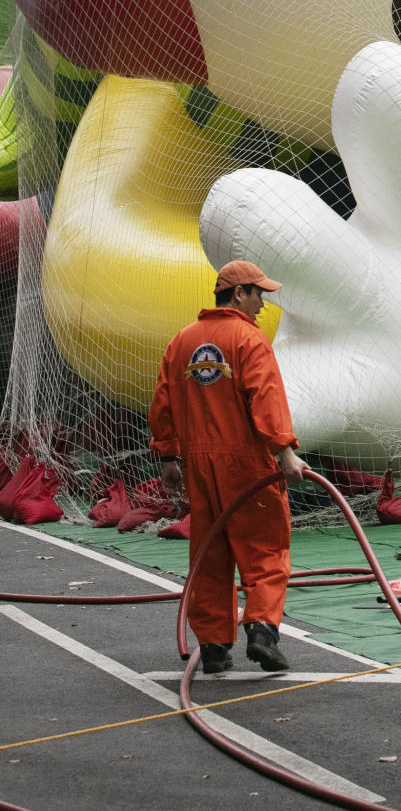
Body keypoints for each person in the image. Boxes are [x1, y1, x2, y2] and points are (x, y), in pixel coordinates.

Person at [149, 260, 307, 675]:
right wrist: (285, 450)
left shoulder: (183, 341)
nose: (262, 304)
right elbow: (265, 397)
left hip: (199, 464)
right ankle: (261, 630)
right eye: (259, 294)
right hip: (247, 464)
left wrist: (168, 457)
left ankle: (215, 645)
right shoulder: (249, 340)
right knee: (266, 550)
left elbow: (163, 401)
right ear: (238, 293)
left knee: (211, 551)